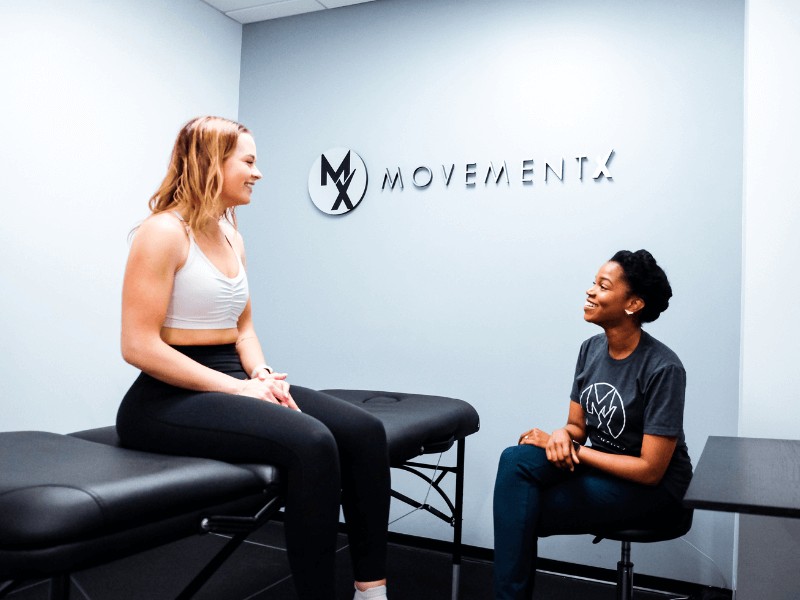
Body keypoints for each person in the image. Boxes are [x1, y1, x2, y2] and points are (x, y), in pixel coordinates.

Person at [116, 116, 390, 600]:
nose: (258, 172)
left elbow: (241, 327)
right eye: (248, 160)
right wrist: (243, 389)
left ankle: (372, 590)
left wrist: (261, 373)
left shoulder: (230, 236)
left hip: (233, 377)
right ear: (210, 163)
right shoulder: (161, 233)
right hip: (163, 399)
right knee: (312, 442)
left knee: (365, 433)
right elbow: (138, 346)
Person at [492, 249, 693, 600]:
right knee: (515, 459)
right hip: (603, 468)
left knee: (524, 510)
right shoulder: (590, 350)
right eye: (593, 283)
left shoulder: (664, 368)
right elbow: (575, 427)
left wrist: (577, 452)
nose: (590, 291)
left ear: (632, 304)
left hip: (657, 491)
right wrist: (559, 435)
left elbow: (650, 470)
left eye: (603, 286)